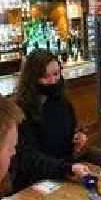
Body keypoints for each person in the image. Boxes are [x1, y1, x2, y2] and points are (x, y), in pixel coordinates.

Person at [11, 49, 91, 191]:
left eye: (56, 74)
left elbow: (69, 134)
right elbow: (29, 159)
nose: (53, 81)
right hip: (34, 183)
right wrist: (68, 168)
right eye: (44, 76)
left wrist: (78, 138)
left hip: (63, 175)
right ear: (32, 78)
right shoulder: (22, 110)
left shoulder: (62, 101)